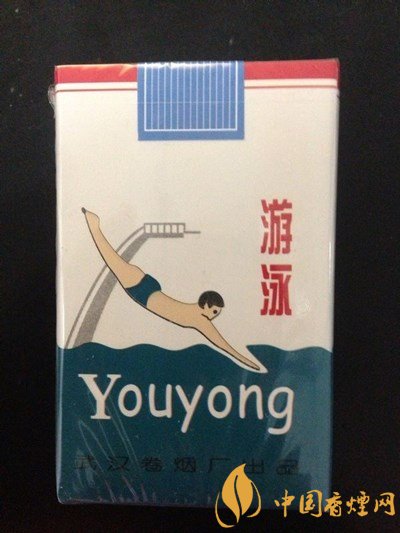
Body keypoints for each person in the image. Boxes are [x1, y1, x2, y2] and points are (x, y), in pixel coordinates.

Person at [82, 208, 262, 371]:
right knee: (110, 256)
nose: (215, 315)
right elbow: (224, 345)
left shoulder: (198, 317)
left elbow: (223, 344)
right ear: (206, 305)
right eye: (214, 311)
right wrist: (248, 362)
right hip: (142, 291)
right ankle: (93, 224)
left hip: (148, 290)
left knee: (112, 259)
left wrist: (248, 362)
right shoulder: (200, 320)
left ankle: (93, 222)